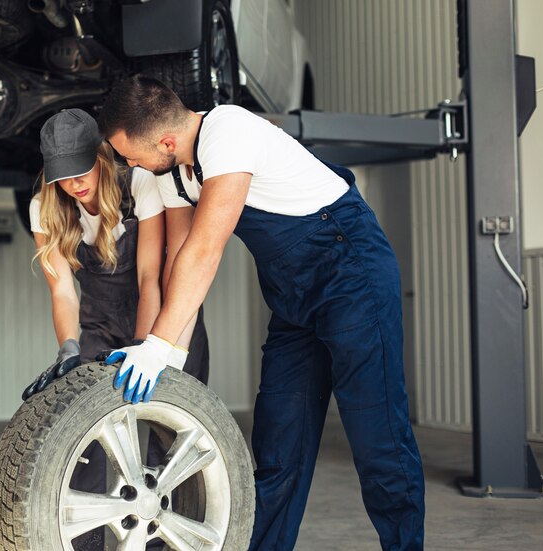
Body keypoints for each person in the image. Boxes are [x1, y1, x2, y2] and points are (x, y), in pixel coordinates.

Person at [98, 76, 425, 551]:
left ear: (166, 141)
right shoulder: (168, 172)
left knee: (378, 438)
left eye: (131, 155)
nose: (128, 166)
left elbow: (206, 251)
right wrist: (168, 352)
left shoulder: (228, 131)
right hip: (294, 299)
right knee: (278, 445)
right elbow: (178, 260)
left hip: (350, 273)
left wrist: (157, 344)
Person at [21, 108, 210, 549]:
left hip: (160, 319)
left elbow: (151, 276)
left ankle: (164, 542)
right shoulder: (43, 208)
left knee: (170, 438)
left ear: (101, 156)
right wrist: (68, 348)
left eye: (82, 169)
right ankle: (80, 542)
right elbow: (63, 292)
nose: (74, 183)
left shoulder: (137, 186)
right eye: (63, 175)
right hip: (98, 326)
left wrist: (149, 350)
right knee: (82, 435)